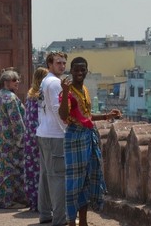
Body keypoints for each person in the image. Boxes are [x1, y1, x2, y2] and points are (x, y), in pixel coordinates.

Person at [59, 57, 121, 226]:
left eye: (83, 69)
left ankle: (84, 221)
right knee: (73, 183)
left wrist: (106, 116)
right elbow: (64, 115)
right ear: (71, 71)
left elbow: (86, 116)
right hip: (74, 137)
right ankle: (72, 221)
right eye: (76, 70)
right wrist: (65, 92)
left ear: (87, 71)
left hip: (87, 136)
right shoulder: (68, 91)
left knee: (87, 180)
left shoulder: (85, 90)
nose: (80, 73)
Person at [0, 68, 27, 208]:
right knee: (10, 172)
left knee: (1, 170)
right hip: (9, 142)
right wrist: (22, 140)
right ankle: (7, 201)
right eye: (13, 80)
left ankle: (5, 199)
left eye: (18, 79)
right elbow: (16, 121)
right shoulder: (10, 98)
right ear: (6, 82)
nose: (17, 82)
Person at [37, 52, 68, 226]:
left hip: (43, 133)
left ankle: (45, 214)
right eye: (58, 63)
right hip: (55, 135)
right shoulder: (55, 83)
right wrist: (67, 131)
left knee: (46, 176)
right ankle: (60, 219)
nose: (62, 66)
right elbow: (58, 111)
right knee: (57, 177)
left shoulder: (45, 81)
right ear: (50, 64)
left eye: (64, 63)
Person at [24, 67, 49, 212]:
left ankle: (34, 202)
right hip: (41, 136)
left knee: (32, 170)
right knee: (44, 170)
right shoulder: (42, 95)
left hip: (29, 138)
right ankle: (45, 204)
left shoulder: (30, 95)